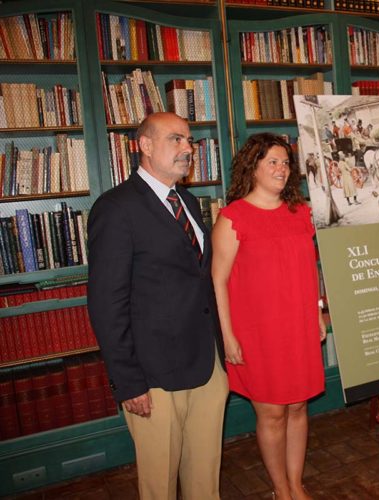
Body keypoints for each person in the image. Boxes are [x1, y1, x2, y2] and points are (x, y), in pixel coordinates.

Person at [87, 112, 228, 500]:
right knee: (159, 486)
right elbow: (106, 302)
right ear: (145, 146)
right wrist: (129, 380)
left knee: (205, 480)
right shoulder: (116, 209)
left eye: (189, 140)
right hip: (154, 377)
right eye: (176, 139)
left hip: (205, 366)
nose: (188, 148)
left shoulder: (187, 200)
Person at [212, 133, 326, 500]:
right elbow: (218, 280)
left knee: (297, 407)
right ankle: (280, 489)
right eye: (272, 162)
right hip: (257, 332)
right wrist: (228, 336)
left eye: (285, 162)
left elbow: (314, 271)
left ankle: (296, 483)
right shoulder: (232, 217)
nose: (281, 169)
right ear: (253, 167)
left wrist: (320, 313)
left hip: (299, 325)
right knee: (272, 413)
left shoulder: (302, 213)